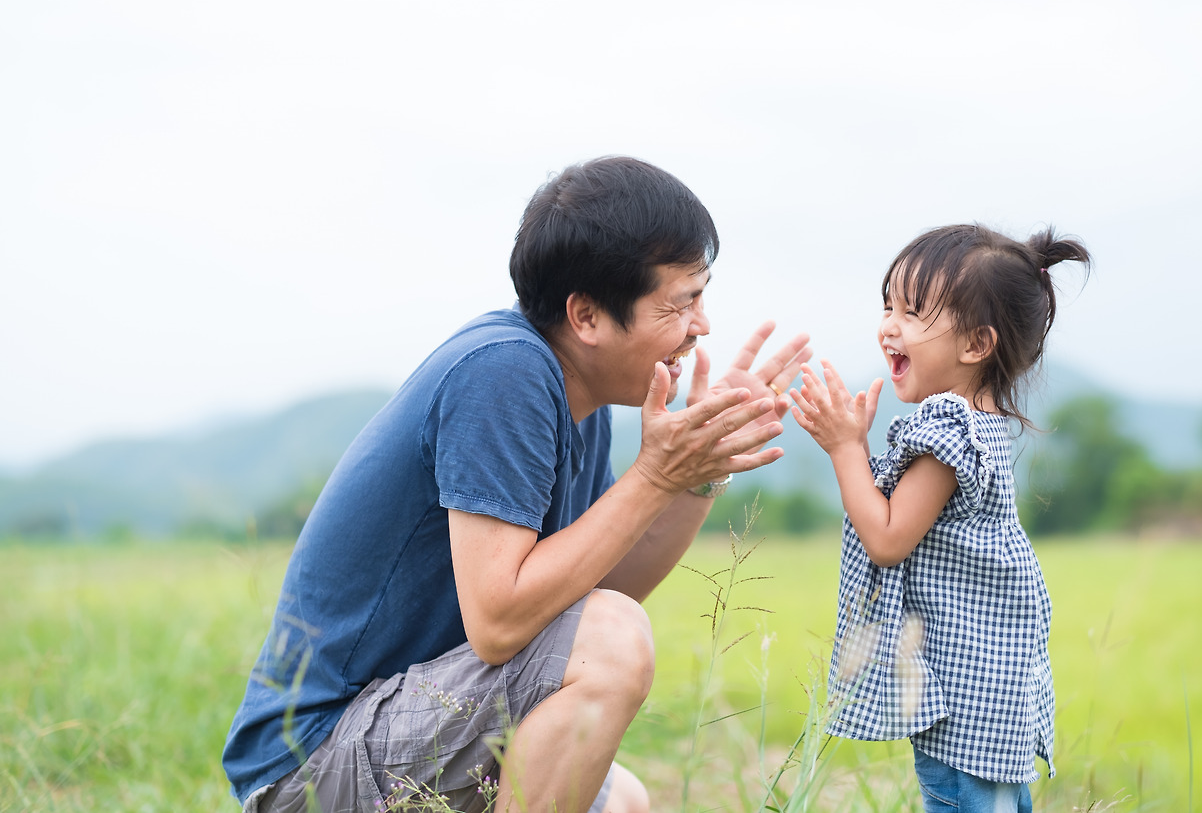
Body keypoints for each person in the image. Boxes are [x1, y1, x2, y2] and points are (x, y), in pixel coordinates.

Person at [222, 155, 812, 813]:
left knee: (624, 801)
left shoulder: (578, 400)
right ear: (586, 316)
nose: (700, 326)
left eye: (701, 297)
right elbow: (503, 624)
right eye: (679, 304)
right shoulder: (505, 373)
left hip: (403, 728)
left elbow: (588, 600)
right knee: (614, 640)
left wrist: (699, 476)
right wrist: (653, 475)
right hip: (314, 763)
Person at [788, 224, 1091, 812]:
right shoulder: (984, 424)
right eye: (888, 305)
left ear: (977, 345)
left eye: (913, 311)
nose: (889, 325)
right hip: (992, 689)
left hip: (963, 694)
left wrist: (846, 449)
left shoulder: (948, 426)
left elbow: (887, 538)